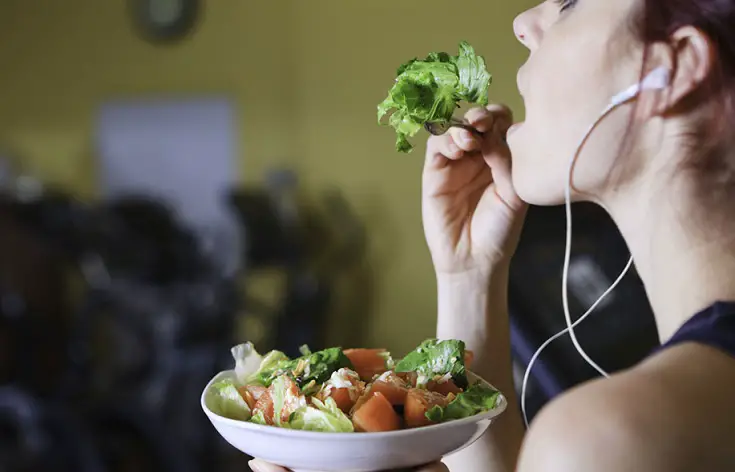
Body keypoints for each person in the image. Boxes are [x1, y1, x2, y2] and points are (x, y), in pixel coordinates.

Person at [249, 0, 735, 470]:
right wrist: (469, 273)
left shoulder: (613, 439)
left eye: (570, 2)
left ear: (677, 68)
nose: (524, 22)